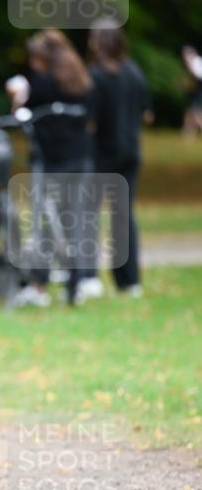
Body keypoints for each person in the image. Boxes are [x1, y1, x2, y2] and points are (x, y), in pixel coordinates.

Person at [6, 29, 94, 306]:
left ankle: (39, 283)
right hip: (80, 159)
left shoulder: (42, 83)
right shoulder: (81, 80)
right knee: (74, 221)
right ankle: (77, 281)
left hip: (50, 161)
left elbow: (22, 116)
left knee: (43, 221)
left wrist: (18, 96)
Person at [87, 20, 152, 297]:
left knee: (88, 215)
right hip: (130, 153)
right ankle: (129, 281)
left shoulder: (96, 76)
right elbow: (147, 114)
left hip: (102, 155)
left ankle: (88, 278)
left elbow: (90, 120)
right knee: (123, 216)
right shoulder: (134, 72)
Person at [180, 45, 202, 139]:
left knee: (195, 111)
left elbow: (196, 77)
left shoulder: (194, 61)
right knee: (190, 111)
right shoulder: (196, 61)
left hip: (199, 90)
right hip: (196, 90)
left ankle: (189, 131)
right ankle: (188, 131)